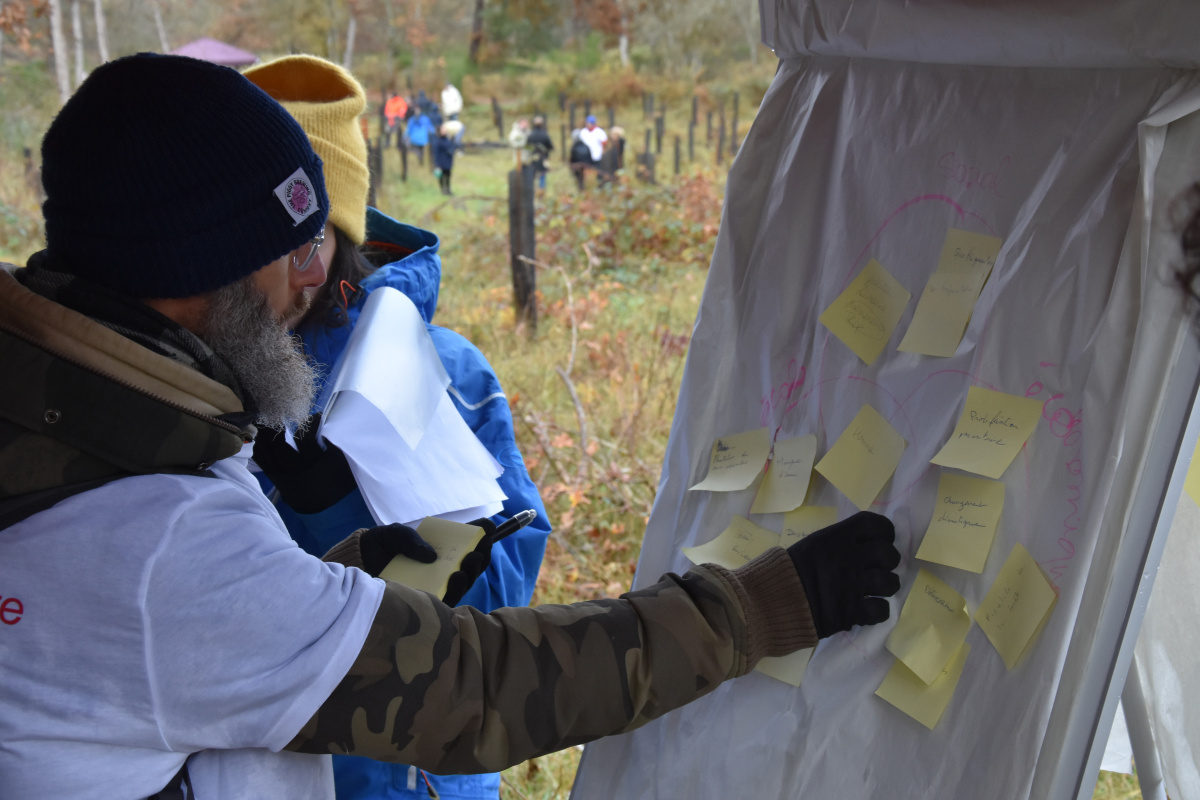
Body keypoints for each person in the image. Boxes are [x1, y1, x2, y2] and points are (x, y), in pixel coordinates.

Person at [0, 54, 902, 800]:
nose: (309, 283)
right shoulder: (160, 548)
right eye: (294, 249)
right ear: (202, 266)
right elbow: (479, 689)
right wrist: (758, 607)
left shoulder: (82, 419)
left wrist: (332, 582)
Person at [244, 56, 548, 800]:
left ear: (334, 240)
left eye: (297, 245)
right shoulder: (183, 381)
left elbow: (503, 603)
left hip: (420, 778)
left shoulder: (448, 374)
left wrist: (347, 508)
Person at [527, 114, 554, 190]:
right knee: (542, 174)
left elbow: (527, 147)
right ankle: (541, 191)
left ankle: (531, 190)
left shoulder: (530, 135)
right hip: (543, 158)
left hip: (533, 159)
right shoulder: (544, 135)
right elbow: (550, 147)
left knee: (532, 174)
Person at [433, 123, 457, 195]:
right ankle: (443, 190)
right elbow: (436, 154)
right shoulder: (437, 141)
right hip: (441, 163)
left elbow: (452, 148)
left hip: (448, 162)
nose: (444, 130)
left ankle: (448, 190)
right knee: (441, 177)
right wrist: (437, 165)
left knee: (448, 177)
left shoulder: (448, 139)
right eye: (443, 129)